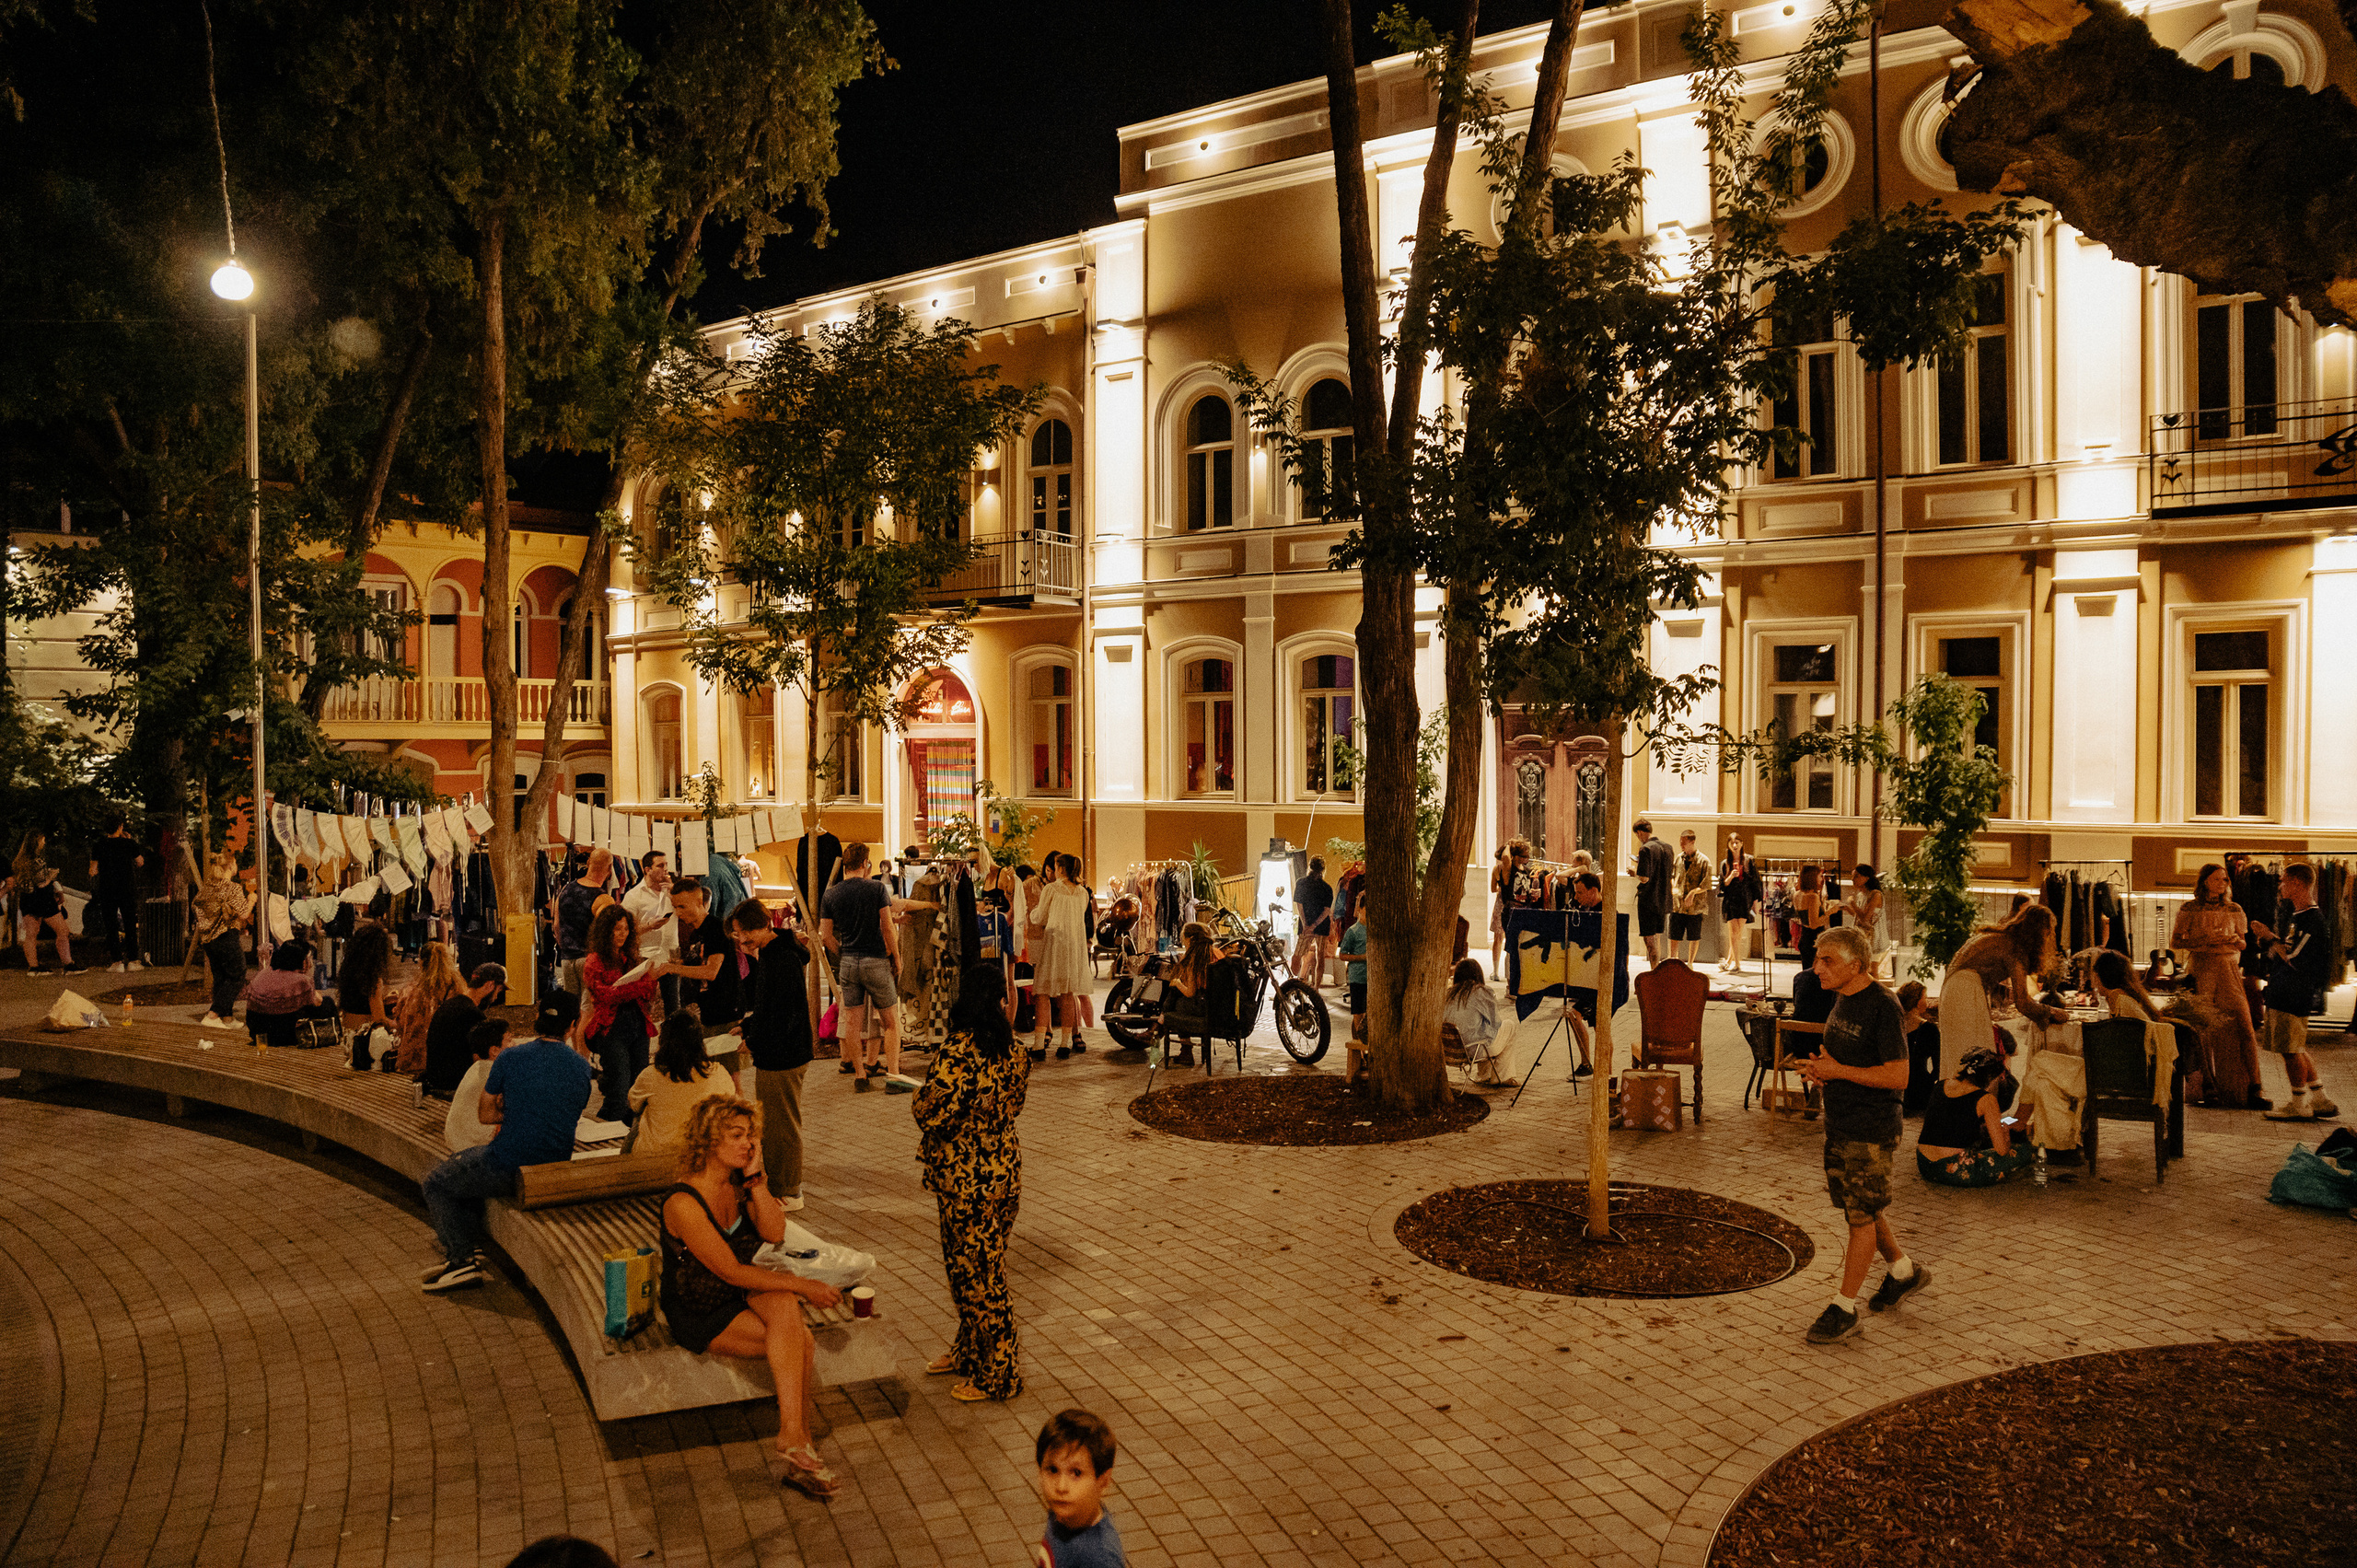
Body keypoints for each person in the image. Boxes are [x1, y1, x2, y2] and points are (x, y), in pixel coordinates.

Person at [656, 1096, 843, 1499]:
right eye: (736, 1136)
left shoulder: (740, 1185)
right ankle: (799, 1448)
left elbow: (775, 1233)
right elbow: (729, 1270)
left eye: (750, 1136)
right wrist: (805, 1284)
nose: (747, 1144)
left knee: (784, 1309)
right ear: (709, 1140)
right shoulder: (683, 1202)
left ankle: (793, 1438)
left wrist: (757, 1180)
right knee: (801, 1340)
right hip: (699, 1305)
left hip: (740, 1290)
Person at [1795, 925, 1925, 1343]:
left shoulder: (1883, 1006)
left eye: (1826, 960)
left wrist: (1838, 1072)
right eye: (1817, 958)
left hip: (1871, 1128)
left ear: (1857, 964)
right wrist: (1824, 1071)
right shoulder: (1842, 998)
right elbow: (1847, 1059)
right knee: (1863, 1205)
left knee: (1860, 1217)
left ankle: (1844, 1308)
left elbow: (1899, 1075)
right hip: (1842, 1121)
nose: (1816, 967)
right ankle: (1903, 1272)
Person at [420, 992, 592, 1293]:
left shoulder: (510, 1057)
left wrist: (517, 1110)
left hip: (509, 1163)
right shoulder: (581, 1068)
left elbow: (485, 1115)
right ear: (572, 1025)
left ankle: (462, 1261)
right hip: (554, 1164)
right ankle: (467, 1249)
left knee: (437, 1181)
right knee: (468, 1173)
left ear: (538, 1020)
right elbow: (568, 1111)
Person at [915, 963, 1031, 1402]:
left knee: (981, 1279)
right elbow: (1013, 1106)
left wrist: (921, 1100)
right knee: (973, 1270)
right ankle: (969, 1352)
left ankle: (1000, 1375)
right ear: (1000, 1001)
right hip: (1004, 1174)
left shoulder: (958, 1052)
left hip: (966, 1183)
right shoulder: (1016, 1051)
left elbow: (928, 1111)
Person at [730, 895, 819, 1207]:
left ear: (765, 926)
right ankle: (782, 1185)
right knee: (775, 1124)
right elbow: (769, 1007)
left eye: (745, 933)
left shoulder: (780, 958)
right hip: (777, 1051)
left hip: (783, 1054)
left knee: (783, 1127)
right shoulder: (772, 951)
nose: (742, 940)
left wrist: (754, 1040)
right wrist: (750, 1026)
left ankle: (788, 1191)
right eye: (738, 934)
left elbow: (783, 1013)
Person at [819, 842, 930, 1082]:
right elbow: (887, 927)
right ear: (866, 864)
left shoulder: (831, 894)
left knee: (852, 1023)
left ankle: (860, 1074)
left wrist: (844, 953)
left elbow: (826, 936)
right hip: (876, 961)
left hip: (849, 963)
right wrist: (897, 957)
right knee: (890, 1022)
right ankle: (893, 1074)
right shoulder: (876, 889)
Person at [2170, 863, 2268, 1109]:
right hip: (2201, 968)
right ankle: (2208, 1085)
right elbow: (2176, 941)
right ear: (2205, 882)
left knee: (2243, 1024)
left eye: (2225, 880)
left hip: (2228, 969)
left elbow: (2244, 944)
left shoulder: (2234, 909)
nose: (2223, 884)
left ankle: (2252, 1087)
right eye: (2217, 879)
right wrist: (2203, 939)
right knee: (2202, 1029)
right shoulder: (2190, 908)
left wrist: (2234, 939)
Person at [1937, 904, 2064, 1078]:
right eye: (2049, 932)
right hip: (1966, 992)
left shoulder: (1998, 937)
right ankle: (1976, 1103)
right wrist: (2051, 1012)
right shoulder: (2015, 949)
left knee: (1958, 1057)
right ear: (2039, 932)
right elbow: (2023, 1003)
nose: (2050, 937)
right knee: (1977, 1058)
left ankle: (1957, 1100)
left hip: (1953, 990)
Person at [2254, 863, 2339, 1121]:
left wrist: (2268, 936)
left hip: (2292, 992)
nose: (2280, 886)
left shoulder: (2312, 920)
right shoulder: (2297, 915)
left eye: (2284, 881)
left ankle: (2298, 1102)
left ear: (2298, 884)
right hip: (2285, 988)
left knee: (2289, 1049)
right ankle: (2320, 1098)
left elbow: (2292, 956)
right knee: (2296, 1046)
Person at [582, 904, 658, 1125]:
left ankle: (630, 1129)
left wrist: (637, 986)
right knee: (619, 1084)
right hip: (611, 1027)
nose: (622, 934)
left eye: (625, 929)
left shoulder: (631, 958)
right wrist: (636, 987)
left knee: (639, 1082)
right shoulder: (594, 961)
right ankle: (606, 1131)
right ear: (606, 931)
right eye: (617, 929)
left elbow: (648, 990)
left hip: (638, 1025)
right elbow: (605, 996)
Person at [1915, 1048, 2033, 1188]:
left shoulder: (1941, 1084)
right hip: (1955, 1169)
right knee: (2022, 1151)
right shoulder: (1986, 1099)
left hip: (1925, 1164)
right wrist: (2006, 1135)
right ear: (1991, 1079)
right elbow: (2001, 1150)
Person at [629, 1012, 738, 1152]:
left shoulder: (651, 1075)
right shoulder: (719, 1073)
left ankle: (626, 1161)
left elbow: (633, 1104)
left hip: (658, 1155)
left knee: (641, 1115)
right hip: (706, 1154)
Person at [1032, 1409, 1124, 1568]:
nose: (1061, 1487)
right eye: (1053, 1470)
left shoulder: (1100, 1559)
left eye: (1076, 1473)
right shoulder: (1063, 1512)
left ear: (1103, 1481)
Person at [1027, 852, 1093, 1061]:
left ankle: (1039, 1045)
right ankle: (1065, 1043)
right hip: (1074, 946)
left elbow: (1040, 917)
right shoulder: (1082, 892)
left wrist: (1031, 913)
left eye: (1056, 867)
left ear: (1061, 869)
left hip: (1054, 944)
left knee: (1043, 993)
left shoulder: (1051, 888)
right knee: (1067, 994)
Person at [666, 878, 745, 1033]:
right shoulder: (696, 932)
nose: (678, 913)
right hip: (709, 1011)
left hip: (726, 1013)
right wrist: (679, 963)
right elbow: (702, 963)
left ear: (699, 901)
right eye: (675, 907)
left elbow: (710, 972)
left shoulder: (715, 928)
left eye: (682, 906)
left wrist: (673, 968)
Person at [423, 961, 508, 1099]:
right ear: (490, 986)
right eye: (498, 991)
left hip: (435, 1080)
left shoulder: (449, 1004)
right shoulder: (472, 1014)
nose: (496, 997)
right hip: (454, 1086)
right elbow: (482, 1058)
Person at [1442, 958, 1516, 1086]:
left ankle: (1484, 1075)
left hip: (1451, 1050)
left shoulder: (1449, 993)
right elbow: (1496, 1023)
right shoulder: (1482, 991)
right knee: (1509, 1026)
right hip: (1473, 1050)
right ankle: (1503, 1076)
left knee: (1481, 1029)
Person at [393, 941, 464, 1075]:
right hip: (443, 1061)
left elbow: (400, 1025)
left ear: (421, 962)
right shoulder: (456, 988)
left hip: (411, 1061)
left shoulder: (410, 990)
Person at [335, 919, 398, 1068]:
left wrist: (385, 1000)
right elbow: (379, 1020)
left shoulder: (349, 970)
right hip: (364, 1042)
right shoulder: (373, 978)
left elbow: (361, 1003)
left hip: (349, 1038)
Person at [621, 848, 679, 1010]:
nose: (665, 869)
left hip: (670, 955)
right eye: (660, 865)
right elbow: (626, 931)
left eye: (666, 864)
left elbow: (688, 912)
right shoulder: (633, 896)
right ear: (648, 870)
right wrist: (649, 926)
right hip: (645, 957)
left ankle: (672, 1034)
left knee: (673, 1004)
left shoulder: (673, 891)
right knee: (642, 1005)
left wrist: (674, 893)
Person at [87, 814, 145, 972]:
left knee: (111, 924)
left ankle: (117, 961)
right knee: (130, 923)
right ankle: (133, 960)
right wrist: (129, 841)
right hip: (127, 888)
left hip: (107, 889)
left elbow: (93, 870)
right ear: (120, 827)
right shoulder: (129, 844)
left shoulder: (99, 845)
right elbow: (140, 862)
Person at [444, 1016, 509, 1149]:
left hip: (455, 1139)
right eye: (510, 1040)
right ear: (495, 1051)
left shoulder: (477, 1067)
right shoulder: (496, 1074)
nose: (514, 1045)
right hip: (473, 1146)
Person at [553, 847, 610, 996]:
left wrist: (565, 948)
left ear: (588, 862)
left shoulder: (566, 889)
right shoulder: (603, 899)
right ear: (610, 868)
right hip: (590, 960)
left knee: (572, 1009)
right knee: (589, 1010)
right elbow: (608, 935)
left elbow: (556, 926)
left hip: (567, 959)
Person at [1631, 819, 1675, 964]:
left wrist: (1634, 872)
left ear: (1640, 833)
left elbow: (1644, 878)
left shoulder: (1645, 849)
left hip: (1648, 900)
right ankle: (1658, 971)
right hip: (1663, 900)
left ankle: (1653, 970)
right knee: (1657, 937)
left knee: (1649, 940)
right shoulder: (1668, 848)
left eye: (1637, 835)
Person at [1897, 981, 1941, 1117]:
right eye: (1925, 997)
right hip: (1919, 1091)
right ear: (1917, 1001)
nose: (1927, 1002)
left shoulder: (1892, 1027)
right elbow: (1938, 1065)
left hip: (1895, 1089)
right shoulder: (1929, 1029)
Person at [1669, 830, 1713, 965]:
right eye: (1680, 843)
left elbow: (1706, 884)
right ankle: (1673, 960)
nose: (1681, 845)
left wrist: (1693, 893)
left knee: (1694, 936)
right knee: (1674, 935)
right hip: (1678, 905)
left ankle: (1690, 963)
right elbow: (1673, 876)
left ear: (1692, 842)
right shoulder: (1678, 858)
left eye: (1684, 843)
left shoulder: (1704, 861)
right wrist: (1673, 887)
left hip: (1695, 907)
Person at [1719, 832, 1758, 973]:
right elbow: (1722, 885)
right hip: (1730, 900)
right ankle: (1734, 963)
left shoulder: (1749, 860)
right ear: (1728, 845)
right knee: (1733, 933)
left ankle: (1733, 962)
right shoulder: (1725, 863)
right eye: (1732, 843)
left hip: (1744, 900)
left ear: (1742, 844)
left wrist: (1755, 903)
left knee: (1737, 932)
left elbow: (1755, 883)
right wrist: (1731, 876)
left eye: (1737, 842)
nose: (1735, 845)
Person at [1292, 855, 1334, 983]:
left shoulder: (1301, 883)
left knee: (1298, 953)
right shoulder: (1327, 887)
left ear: (1309, 866)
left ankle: (1295, 981)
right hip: (1321, 925)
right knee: (1320, 956)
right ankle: (1316, 988)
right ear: (1323, 869)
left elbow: (1299, 905)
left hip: (1306, 923)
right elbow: (1326, 911)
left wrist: (1306, 925)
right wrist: (1315, 925)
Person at [1844, 865, 1889, 977]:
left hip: (1874, 938)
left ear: (1867, 878)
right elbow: (1858, 916)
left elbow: (1865, 918)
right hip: (1863, 937)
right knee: (1862, 969)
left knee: (1872, 971)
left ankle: (1875, 993)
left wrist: (1852, 904)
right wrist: (1846, 908)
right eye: (1853, 876)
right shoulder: (1862, 894)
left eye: (1857, 876)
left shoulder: (1876, 894)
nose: (1853, 879)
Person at [1793, 864, 1828, 978]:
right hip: (1814, 939)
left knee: (1808, 973)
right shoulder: (1812, 897)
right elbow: (1814, 924)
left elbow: (1805, 919)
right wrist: (1830, 912)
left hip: (1804, 937)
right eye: (1819, 876)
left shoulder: (1797, 895)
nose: (1821, 879)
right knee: (1815, 976)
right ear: (1813, 877)